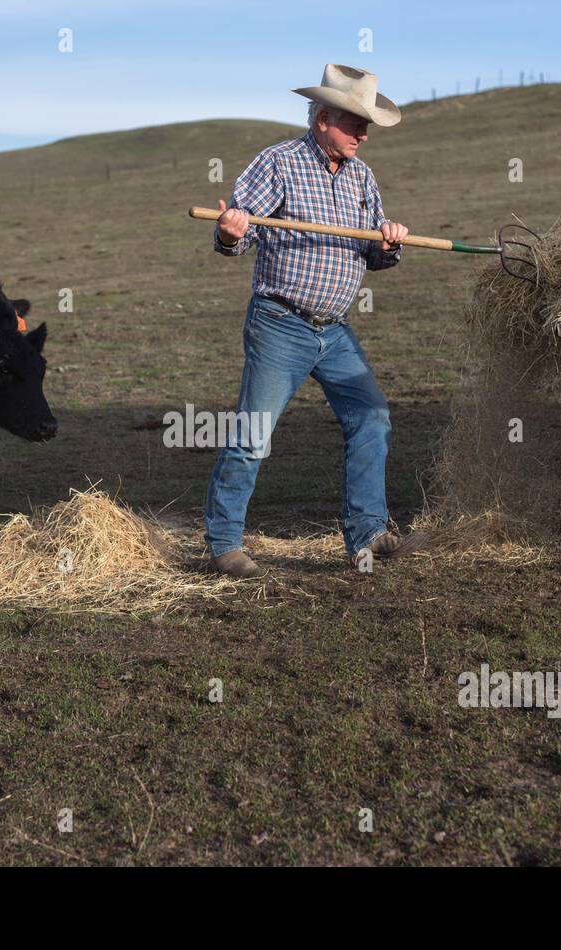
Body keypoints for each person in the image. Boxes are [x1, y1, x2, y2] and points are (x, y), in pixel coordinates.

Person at [204, 64, 430, 578]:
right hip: (280, 323)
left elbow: (375, 257)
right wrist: (229, 232)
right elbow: (237, 239)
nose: (364, 134)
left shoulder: (363, 177)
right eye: (355, 123)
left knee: (371, 417)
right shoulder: (278, 163)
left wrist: (389, 243)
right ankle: (223, 545)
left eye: (367, 125)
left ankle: (367, 534)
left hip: (335, 329)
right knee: (254, 433)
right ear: (324, 117)